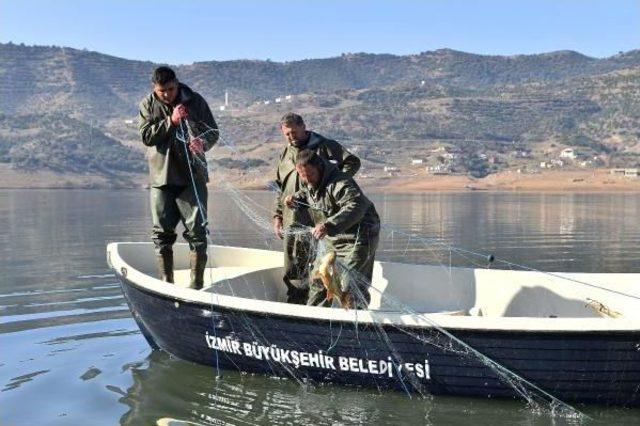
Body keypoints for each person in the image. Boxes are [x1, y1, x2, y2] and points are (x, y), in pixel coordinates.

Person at [138, 66, 218, 289]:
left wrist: (203, 143)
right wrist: (171, 121)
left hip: (193, 175)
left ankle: (197, 285)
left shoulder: (196, 101)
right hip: (161, 178)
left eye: (171, 89)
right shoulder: (147, 104)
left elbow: (213, 132)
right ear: (154, 88)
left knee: (198, 232)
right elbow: (146, 136)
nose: (167, 94)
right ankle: (167, 283)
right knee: (161, 234)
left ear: (177, 83)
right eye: (161, 91)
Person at [273, 113, 361, 304]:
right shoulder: (285, 153)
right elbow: (281, 186)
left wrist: (333, 183)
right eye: (287, 134)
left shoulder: (324, 145)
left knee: (322, 262)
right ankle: (296, 302)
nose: (291, 137)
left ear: (304, 127)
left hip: (319, 216)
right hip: (292, 217)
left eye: (294, 132)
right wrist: (278, 214)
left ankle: (322, 304)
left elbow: (353, 162)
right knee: (294, 261)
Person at [284, 149, 380, 309]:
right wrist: (295, 200)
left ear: (320, 168)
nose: (307, 180)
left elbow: (356, 205)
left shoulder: (341, 182)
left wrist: (328, 225)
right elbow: (308, 193)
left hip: (359, 236)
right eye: (303, 176)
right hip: (332, 236)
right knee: (318, 278)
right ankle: (313, 320)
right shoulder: (308, 179)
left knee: (351, 283)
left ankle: (355, 322)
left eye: (310, 175)